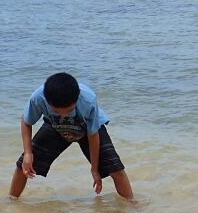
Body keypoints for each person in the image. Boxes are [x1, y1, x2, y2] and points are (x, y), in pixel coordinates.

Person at [9, 72, 134, 200]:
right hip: (54, 125)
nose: (64, 116)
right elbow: (26, 121)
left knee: (116, 169)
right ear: (47, 101)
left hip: (87, 128)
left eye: (69, 111)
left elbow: (93, 134)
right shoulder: (38, 98)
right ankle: (11, 201)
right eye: (57, 111)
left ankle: (133, 205)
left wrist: (95, 170)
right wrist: (28, 153)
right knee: (22, 165)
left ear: (77, 99)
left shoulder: (88, 100)